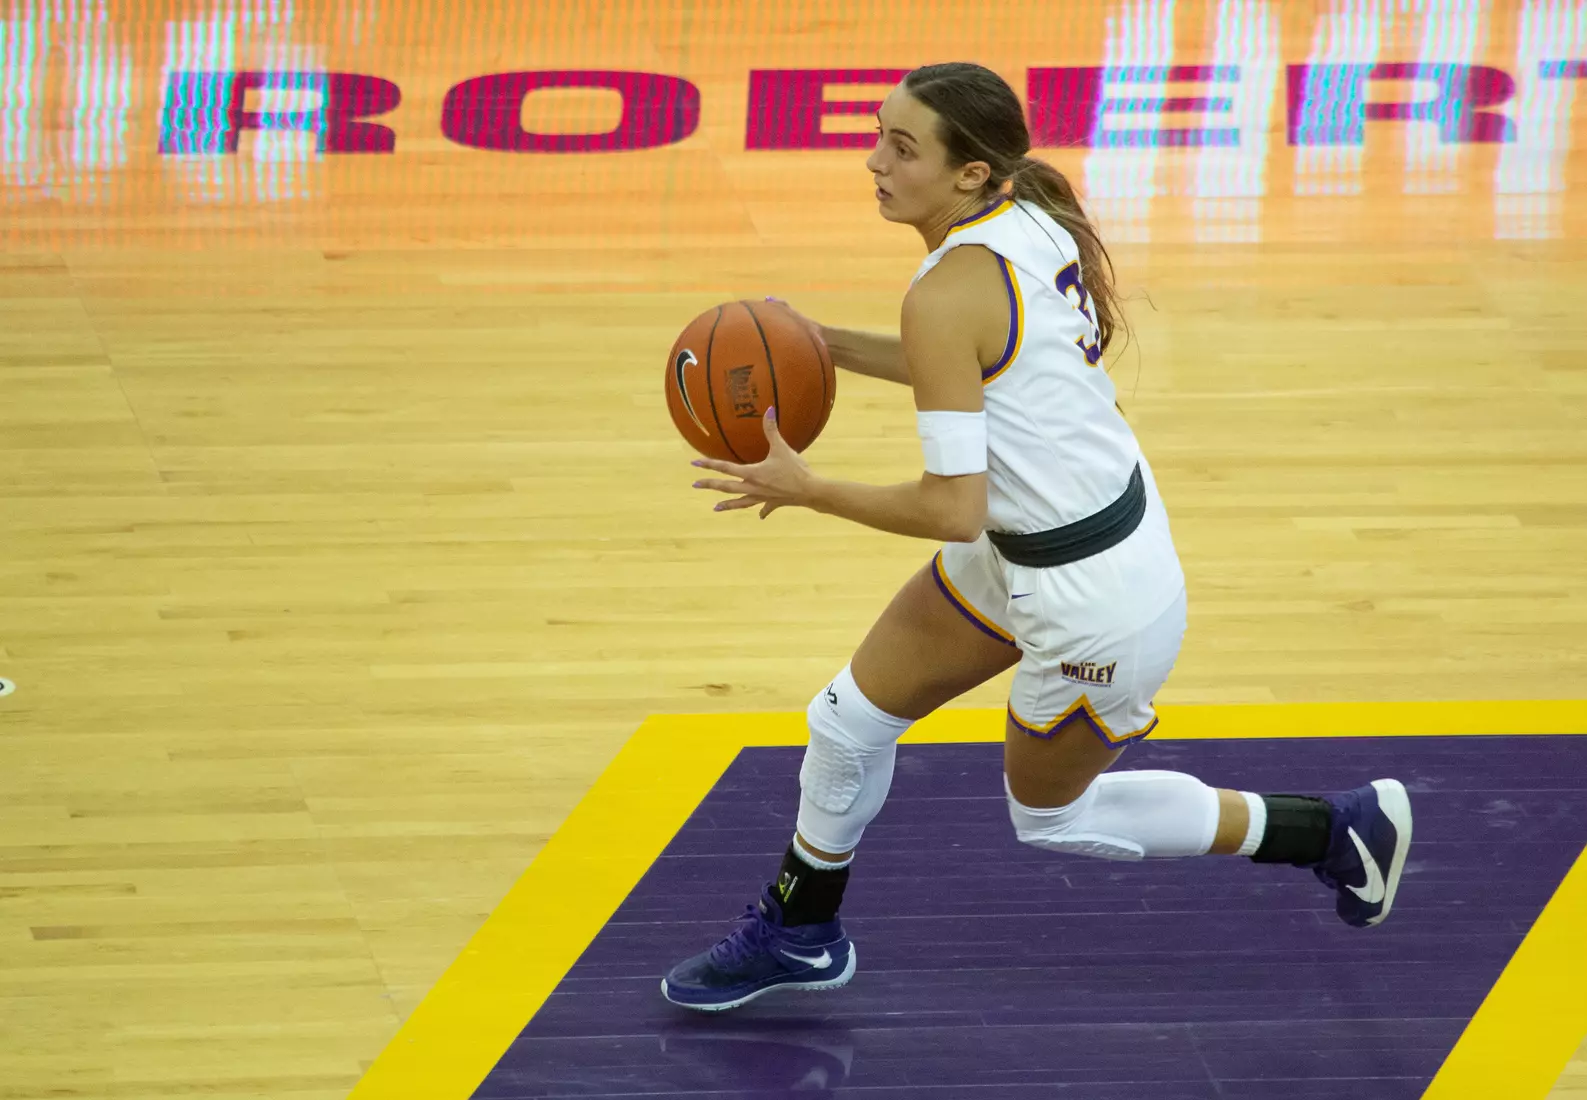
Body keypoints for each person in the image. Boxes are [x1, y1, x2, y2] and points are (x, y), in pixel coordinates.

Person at [664, 61, 1412, 1013]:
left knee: (1054, 821)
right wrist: (823, 342)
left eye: (901, 147)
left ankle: (1331, 830)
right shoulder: (1022, 216)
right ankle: (801, 932)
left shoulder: (944, 291)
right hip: (1044, 539)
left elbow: (949, 510)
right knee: (846, 721)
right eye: (877, 135)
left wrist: (808, 488)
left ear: (970, 173)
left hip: (1091, 598)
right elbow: (968, 365)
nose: (873, 162)